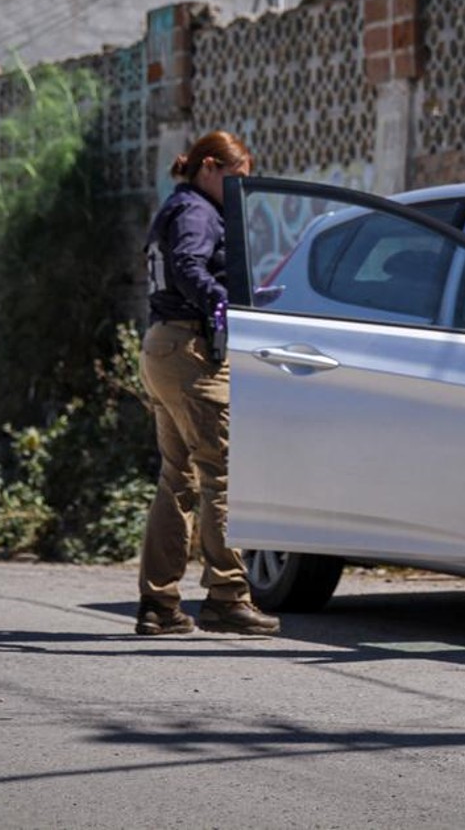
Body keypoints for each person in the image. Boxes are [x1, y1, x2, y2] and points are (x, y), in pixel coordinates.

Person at [136, 130, 280, 636]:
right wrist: (228, 305)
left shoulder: (178, 206)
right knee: (222, 474)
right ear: (210, 167)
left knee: (178, 480)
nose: (239, 191)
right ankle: (227, 597)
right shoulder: (197, 211)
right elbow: (188, 266)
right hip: (189, 352)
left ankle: (159, 606)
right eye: (236, 180)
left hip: (163, 346)